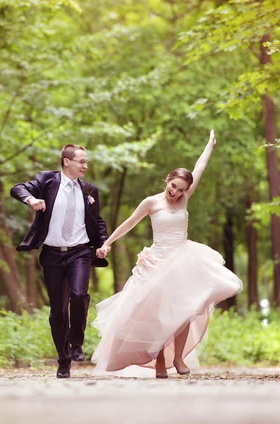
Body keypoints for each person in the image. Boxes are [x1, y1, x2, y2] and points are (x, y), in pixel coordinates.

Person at [92, 130, 242, 378]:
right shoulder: (151, 202)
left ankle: (179, 357)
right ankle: (160, 360)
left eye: (181, 190)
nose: (176, 192)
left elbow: (200, 166)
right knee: (157, 315)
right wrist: (107, 242)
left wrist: (210, 145)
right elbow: (129, 223)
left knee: (184, 310)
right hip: (157, 261)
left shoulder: (184, 199)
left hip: (183, 259)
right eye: (174, 186)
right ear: (168, 180)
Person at [10, 144, 109, 379]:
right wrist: (31, 200)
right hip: (53, 254)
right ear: (66, 161)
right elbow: (18, 188)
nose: (85, 165)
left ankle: (76, 343)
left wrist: (104, 243)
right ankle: (63, 360)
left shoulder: (89, 190)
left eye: (86, 162)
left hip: (80, 252)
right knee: (57, 311)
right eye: (81, 161)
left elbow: (98, 222)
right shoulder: (47, 182)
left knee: (78, 294)